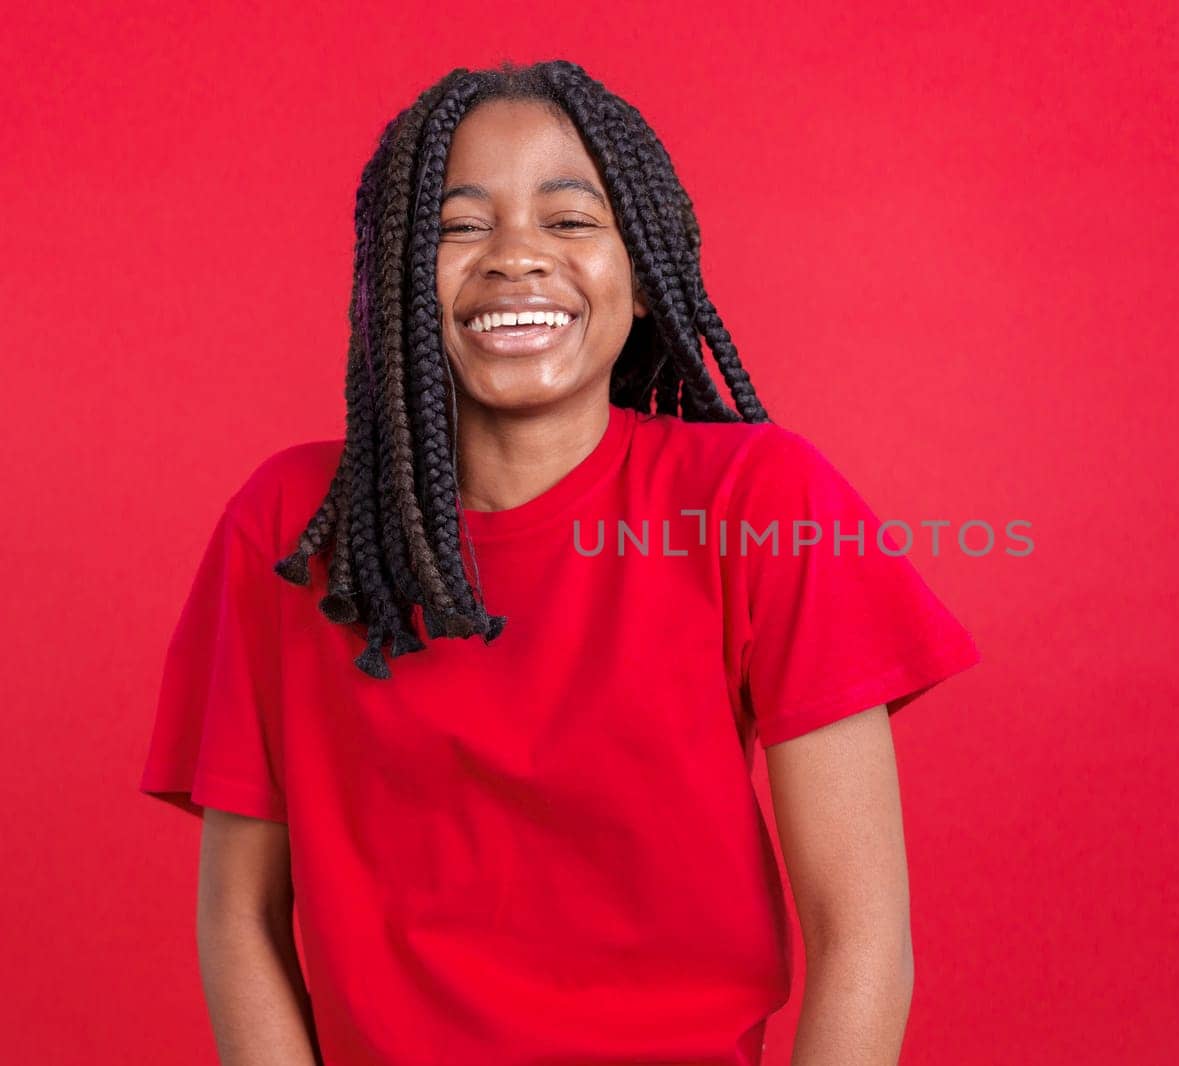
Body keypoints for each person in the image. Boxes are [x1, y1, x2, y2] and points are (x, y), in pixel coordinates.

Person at [138, 59, 980, 1066]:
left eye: (571, 221)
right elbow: (241, 919)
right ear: (397, 281)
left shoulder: (761, 502)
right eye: (458, 226)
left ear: (643, 277)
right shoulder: (293, 527)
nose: (516, 257)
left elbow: (863, 934)